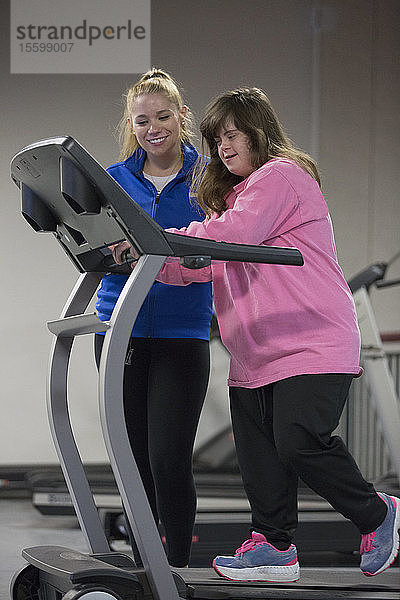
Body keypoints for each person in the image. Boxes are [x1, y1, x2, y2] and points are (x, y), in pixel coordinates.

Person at [112, 87, 400, 581]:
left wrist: (156, 242)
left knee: (298, 442)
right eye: (216, 139)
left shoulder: (281, 176)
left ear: (257, 131)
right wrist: (151, 262)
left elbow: (233, 237)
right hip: (255, 352)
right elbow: (204, 263)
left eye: (232, 134)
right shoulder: (237, 199)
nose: (223, 146)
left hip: (309, 343)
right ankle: (273, 547)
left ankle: (379, 515)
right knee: (260, 457)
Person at [95, 68, 213, 568]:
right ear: (131, 124)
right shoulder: (113, 180)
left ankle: (178, 570)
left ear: (181, 117)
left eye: (163, 116)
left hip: (183, 334)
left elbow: (222, 244)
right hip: (118, 329)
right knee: (133, 460)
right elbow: (91, 247)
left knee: (168, 459)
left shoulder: (211, 175)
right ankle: (146, 567)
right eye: (142, 120)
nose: (153, 128)